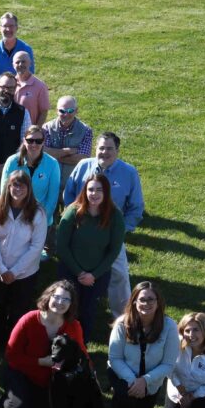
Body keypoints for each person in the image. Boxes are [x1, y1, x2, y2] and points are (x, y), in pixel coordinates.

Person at [63, 132, 144, 320]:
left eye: (109, 148)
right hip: (80, 235)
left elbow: (136, 208)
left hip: (110, 238)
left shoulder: (129, 173)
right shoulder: (83, 166)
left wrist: (120, 231)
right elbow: (69, 195)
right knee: (72, 273)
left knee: (120, 278)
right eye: (101, 148)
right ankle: (69, 316)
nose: (104, 152)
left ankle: (122, 321)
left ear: (117, 150)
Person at [2, 280, 86, 408]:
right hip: (24, 373)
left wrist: (90, 374)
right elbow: (12, 356)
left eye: (66, 299)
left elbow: (82, 354)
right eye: (57, 297)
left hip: (54, 380)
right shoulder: (28, 320)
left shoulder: (74, 326)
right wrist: (41, 362)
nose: (60, 302)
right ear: (49, 297)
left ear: (71, 304)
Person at [104, 282, 179, 408]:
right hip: (123, 374)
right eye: (142, 299)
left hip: (151, 381)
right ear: (134, 302)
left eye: (151, 299)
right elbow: (115, 358)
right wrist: (133, 381)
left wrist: (145, 381)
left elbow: (169, 363)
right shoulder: (122, 324)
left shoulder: (169, 327)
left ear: (158, 302)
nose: (146, 304)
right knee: (122, 405)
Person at [56, 174, 125, 341]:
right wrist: (79, 272)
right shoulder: (73, 212)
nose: (94, 194)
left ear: (106, 192)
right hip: (71, 271)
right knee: (67, 309)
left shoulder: (115, 216)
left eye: (99, 190)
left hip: (97, 275)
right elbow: (61, 246)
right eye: (91, 189)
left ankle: (81, 345)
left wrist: (93, 275)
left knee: (88, 311)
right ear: (85, 191)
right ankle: (61, 344)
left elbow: (114, 250)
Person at [0, 170, 47, 344]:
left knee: (19, 310)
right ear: (8, 186)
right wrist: (3, 270)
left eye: (22, 185)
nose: (18, 189)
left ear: (29, 189)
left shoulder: (38, 213)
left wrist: (15, 271)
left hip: (25, 274)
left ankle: (16, 342)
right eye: (14, 185)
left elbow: (36, 247)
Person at [0, 126, 60, 227]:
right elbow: (4, 192)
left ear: (43, 142)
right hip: (14, 218)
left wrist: (40, 221)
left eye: (38, 141)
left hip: (40, 219)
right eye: (30, 140)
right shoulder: (11, 162)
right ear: (24, 141)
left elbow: (52, 199)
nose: (34, 144)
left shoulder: (52, 164)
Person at [44, 96, 93, 195]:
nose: (66, 114)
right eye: (62, 111)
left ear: (76, 111)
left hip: (74, 184)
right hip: (49, 182)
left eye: (70, 111)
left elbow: (82, 159)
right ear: (56, 111)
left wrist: (55, 154)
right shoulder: (46, 128)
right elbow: (44, 155)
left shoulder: (86, 130)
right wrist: (68, 151)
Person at [0, 12, 35, 99]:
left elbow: (29, 76)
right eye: (5, 26)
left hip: (19, 97)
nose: (8, 29)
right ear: (0, 28)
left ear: (17, 27)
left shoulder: (26, 49)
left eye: (11, 26)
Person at [12, 51, 48, 125]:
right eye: (17, 62)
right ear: (13, 65)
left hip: (29, 132)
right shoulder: (9, 84)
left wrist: (36, 130)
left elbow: (44, 112)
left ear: (30, 63)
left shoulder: (40, 86)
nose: (20, 64)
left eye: (24, 62)